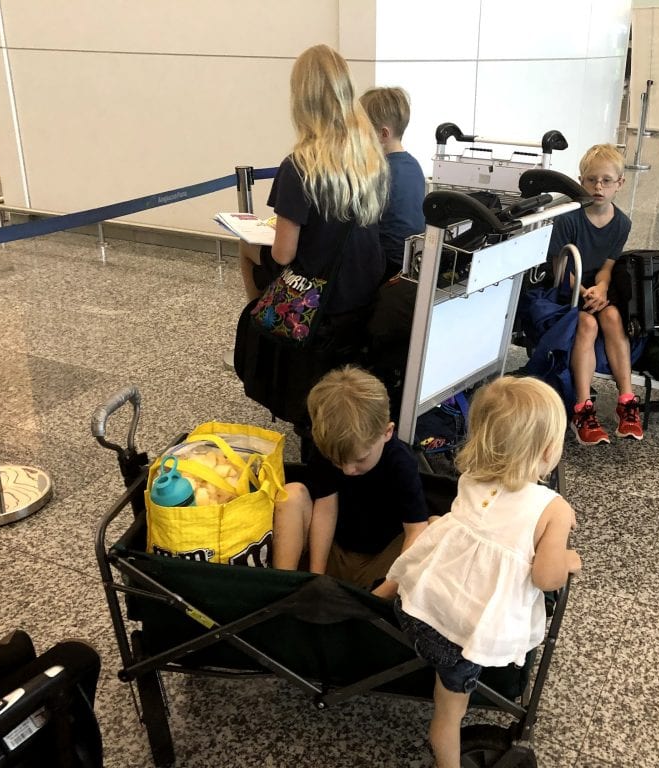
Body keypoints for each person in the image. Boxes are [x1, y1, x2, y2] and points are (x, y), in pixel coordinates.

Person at [383, 375, 581, 768]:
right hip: (462, 640)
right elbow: (546, 578)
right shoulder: (552, 508)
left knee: (442, 525)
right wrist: (568, 558)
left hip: (414, 610)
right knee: (448, 715)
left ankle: (383, 591)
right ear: (546, 451)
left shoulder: (471, 479)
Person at [238, 45, 388, 329]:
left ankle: (261, 324)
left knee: (246, 246)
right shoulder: (371, 158)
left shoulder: (299, 165)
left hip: (317, 295)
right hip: (361, 287)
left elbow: (284, 254)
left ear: (302, 100)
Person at [272, 366, 428, 595]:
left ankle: (379, 602)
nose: (347, 470)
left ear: (387, 432)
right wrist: (317, 578)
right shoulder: (329, 447)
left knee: (435, 531)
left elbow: (415, 530)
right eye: (337, 461)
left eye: (359, 460)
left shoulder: (400, 461)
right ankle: (283, 591)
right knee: (292, 494)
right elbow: (325, 510)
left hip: (381, 565)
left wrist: (380, 596)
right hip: (335, 550)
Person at [546, 144, 640, 444]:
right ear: (581, 181)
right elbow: (560, 268)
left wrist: (600, 288)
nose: (598, 187)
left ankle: (627, 400)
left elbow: (607, 267)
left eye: (606, 180)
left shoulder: (622, 223)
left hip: (593, 289)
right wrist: (584, 291)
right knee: (587, 324)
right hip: (565, 288)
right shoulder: (568, 218)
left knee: (612, 316)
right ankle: (582, 409)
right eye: (591, 180)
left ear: (619, 183)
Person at [359, 86, 426, 275]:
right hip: (409, 262)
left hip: (385, 265)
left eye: (361, 132)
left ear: (383, 134)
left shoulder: (379, 172)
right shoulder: (414, 165)